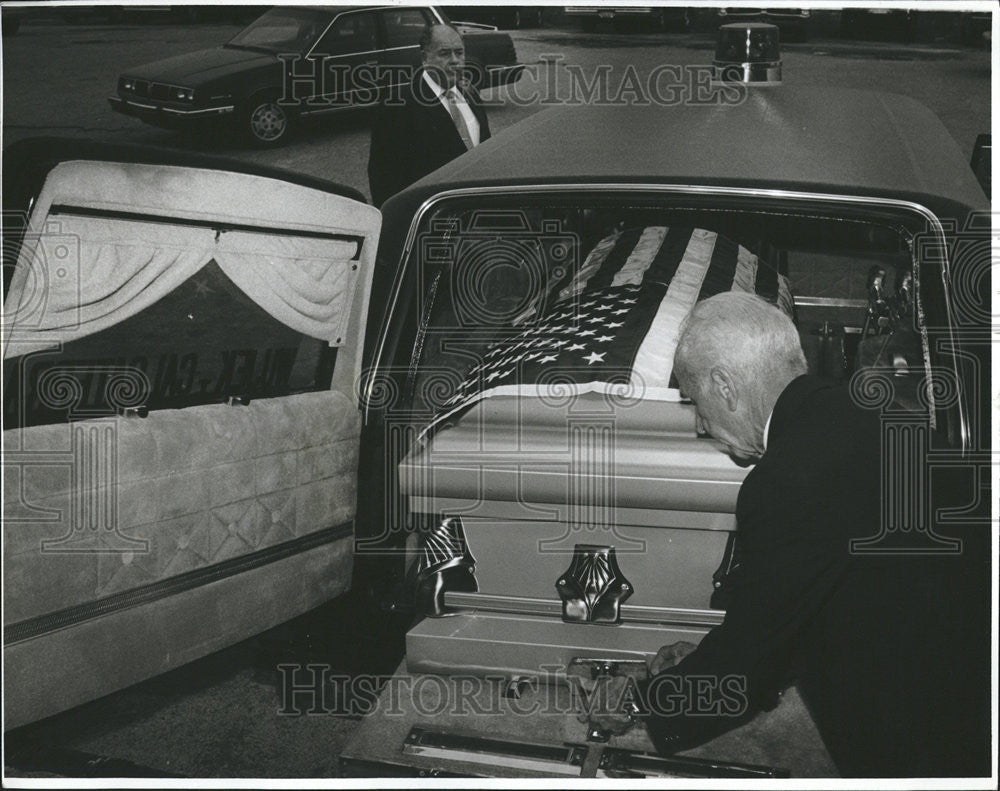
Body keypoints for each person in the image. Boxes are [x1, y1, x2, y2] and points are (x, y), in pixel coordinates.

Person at [593, 292, 989, 777]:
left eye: (695, 402)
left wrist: (639, 701)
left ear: (725, 385)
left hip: (930, 738)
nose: (700, 424)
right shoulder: (881, 417)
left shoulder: (787, 478)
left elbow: (744, 670)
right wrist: (714, 652)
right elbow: (830, 597)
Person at [367, 24, 491, 207]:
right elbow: (384, 179)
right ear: (425, 58)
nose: (455, 60)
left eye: (459, 52)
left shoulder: (471, 94)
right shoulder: (399, 105)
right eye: (444, 54)